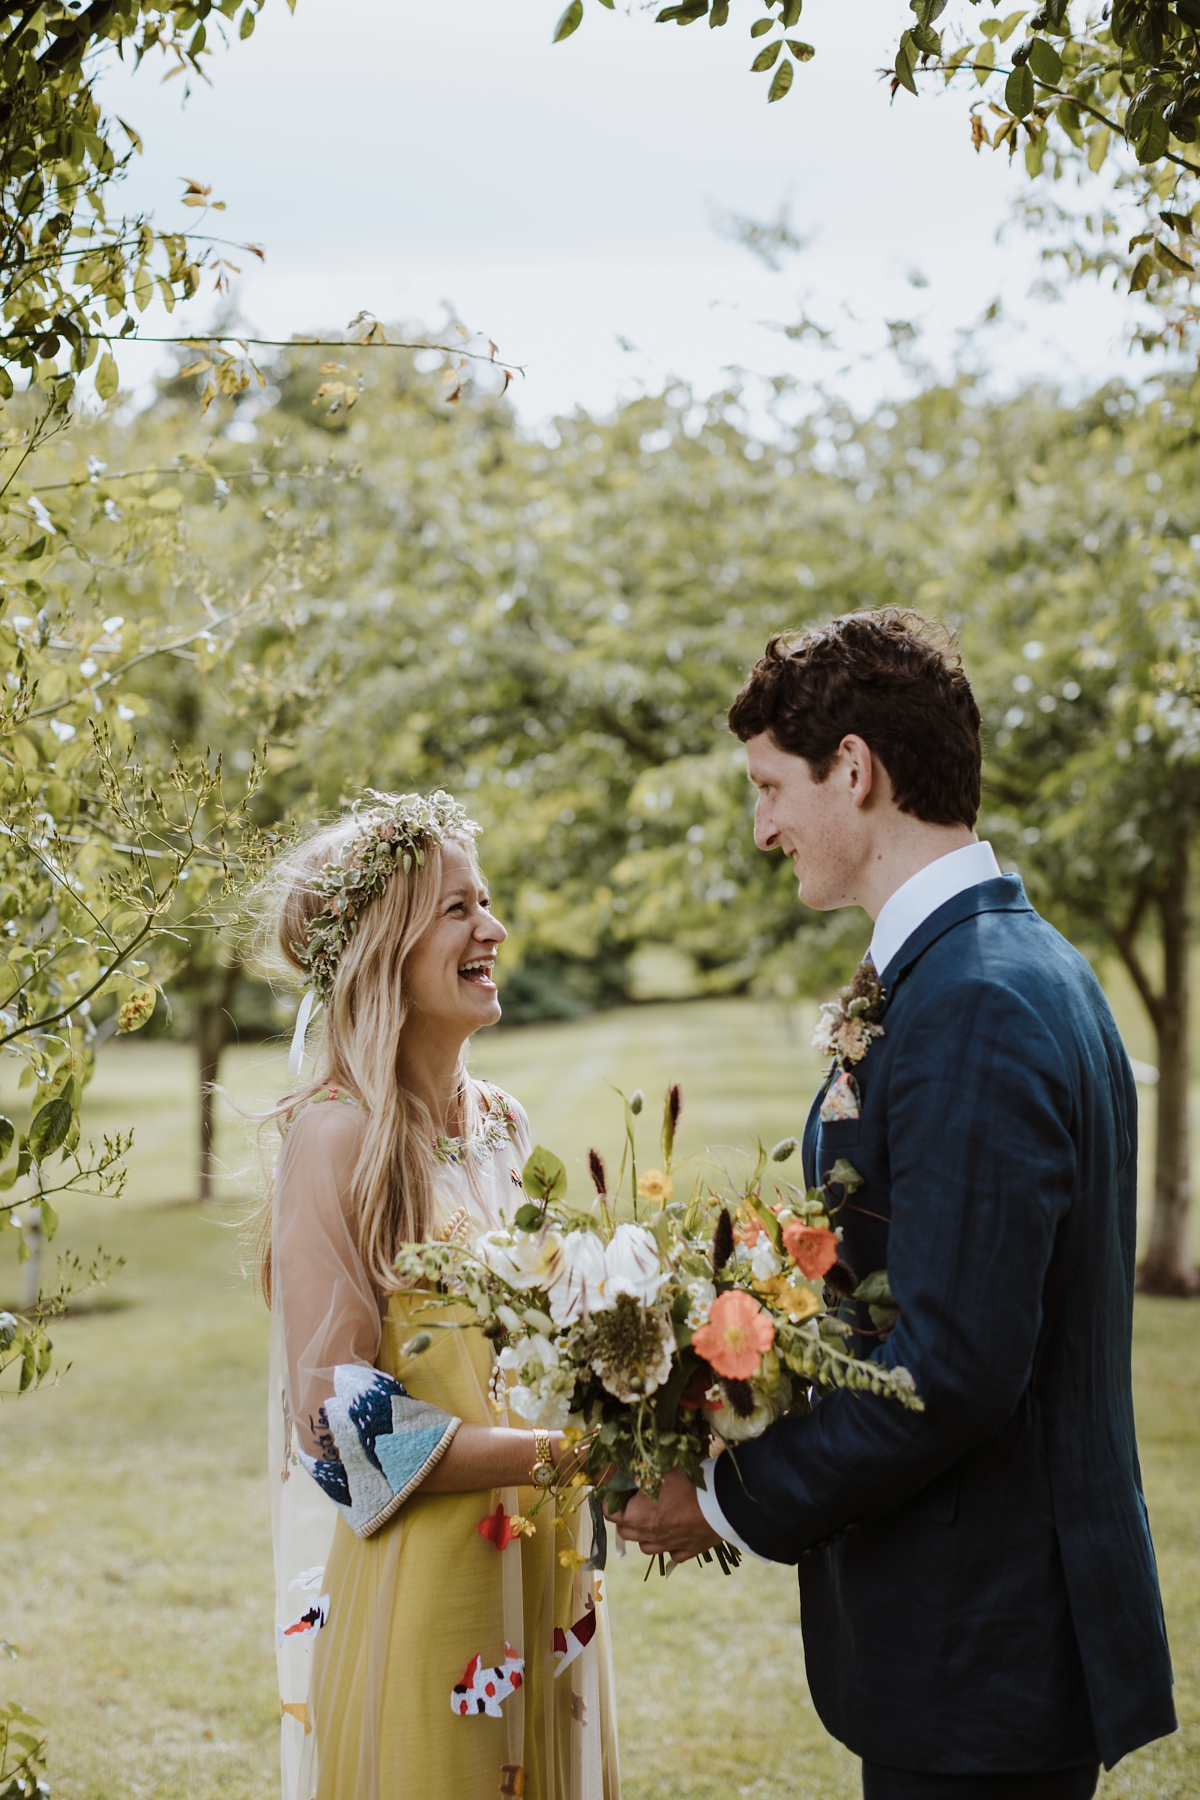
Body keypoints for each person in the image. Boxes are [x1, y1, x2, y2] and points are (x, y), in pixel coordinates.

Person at [611, 612, 1176, 1798]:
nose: (762, 825)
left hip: (987, 1637)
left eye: (771, 786)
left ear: (855, 771)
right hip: (982, 1627)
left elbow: (953, 1365)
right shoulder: (1007, 965)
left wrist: (728, 1499)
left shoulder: (976, 999)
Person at [253, 789, 619, 1800]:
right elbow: (348, 1436)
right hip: (430, 1598)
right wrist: (571, 1454)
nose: (492, 929)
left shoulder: (505, 1126)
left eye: (487, 902)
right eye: (458, 909)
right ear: (383, 947)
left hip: (544, 1566)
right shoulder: (337, 1139)